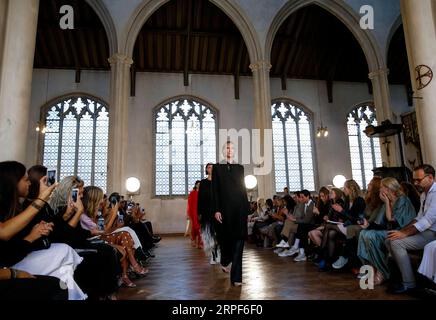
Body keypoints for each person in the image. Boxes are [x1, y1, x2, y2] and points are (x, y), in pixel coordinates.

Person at [386, 164, 436, 294]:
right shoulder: (424, 195)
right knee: (390, 238)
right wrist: (401, 230)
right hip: (425, 231)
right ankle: (396, 277)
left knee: (396, 242)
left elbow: (428, 221)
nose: (415, 183)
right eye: (414, 180)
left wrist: (403, 234)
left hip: (433, 233)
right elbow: (418, 217)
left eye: (418, 180)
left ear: (430, 177)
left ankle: (409, 284)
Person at [212, 141, 250, 286]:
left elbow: (243, 188)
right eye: (227, 148)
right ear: (223, 151)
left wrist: (246, 209)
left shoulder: (240, 168)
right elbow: (215, 190)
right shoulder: (217, 168)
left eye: (232, 148)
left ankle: (237, 278)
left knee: (239, 241)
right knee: (226, 240)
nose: (230, 150)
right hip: (224, 210)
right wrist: (216, 209)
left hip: (239, 209)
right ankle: (225, 260)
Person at [198, 163, 220, 264]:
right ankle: (212, 255)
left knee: (218, 234)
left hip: (217, 211)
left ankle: (218, 252)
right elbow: (200, 199)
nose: (210, 168)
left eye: (212, 167)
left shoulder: (218, 181)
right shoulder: (203, 182)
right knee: (209, 235)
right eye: (208, 167)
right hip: (206, 212)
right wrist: (199, 212)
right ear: (206, 170)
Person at [187, 180, 202, 248]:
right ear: (195, 185)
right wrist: (189, 213)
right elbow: (189, 204)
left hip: (201, 212)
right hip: (193, 212)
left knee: (200, 228)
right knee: (194, 227)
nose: (199, 185)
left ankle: (200, 243)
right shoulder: (192, 193)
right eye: (198, 184)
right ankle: (193, 240)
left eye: (200, 184)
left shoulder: (202, 193)